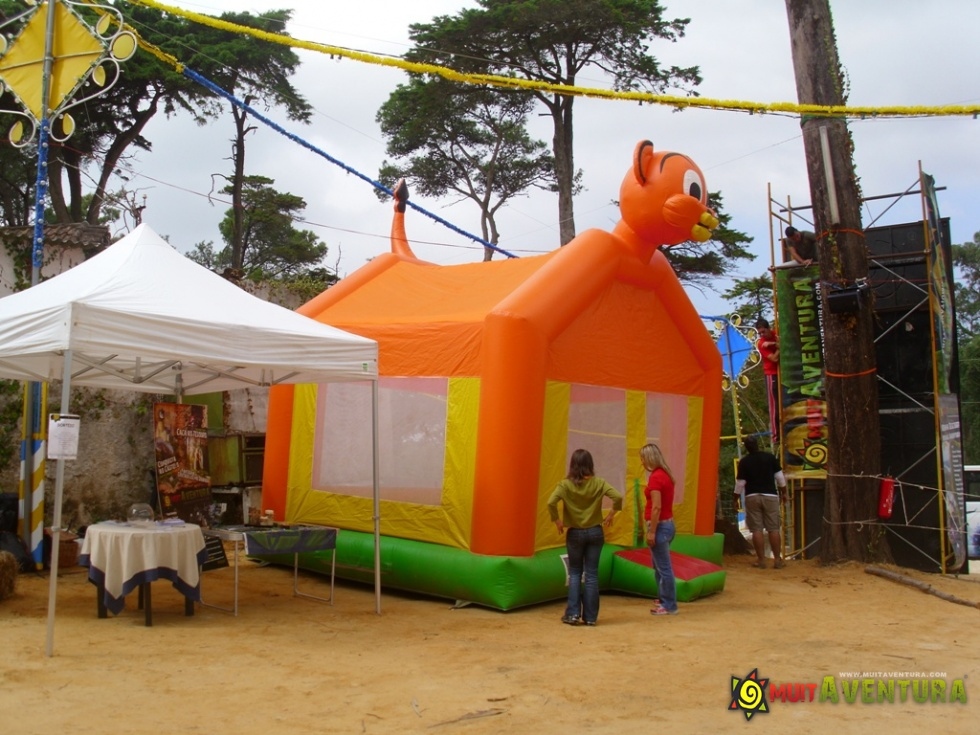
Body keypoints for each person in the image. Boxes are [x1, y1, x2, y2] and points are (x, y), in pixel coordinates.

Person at [547, 448, 622, 626]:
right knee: (592, 574)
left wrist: (557, 521)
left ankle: (573, 614)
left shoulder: (565, 485)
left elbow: (550, 502)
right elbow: (618, 497)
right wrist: (611, 514)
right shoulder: (599, 483)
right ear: (590, 464)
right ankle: (590, 617)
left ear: (573, 465)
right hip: (595, 532)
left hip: (575, 533)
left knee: (575, 573)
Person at [734, 435, 788, 569]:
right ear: (757, 444)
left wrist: (735, 499)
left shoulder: (744, 462)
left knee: (756, 529)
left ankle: (761, 560)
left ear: (746, 448)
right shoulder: (770, 458)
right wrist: (784, 493)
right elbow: (780, 478)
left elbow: (740, 484)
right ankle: (777, 560)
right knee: (773, 528)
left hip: (752, 496)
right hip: (770, 496)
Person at [640, 443, 678, 616]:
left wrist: (652, 531)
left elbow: (656, 507)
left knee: (663, 568)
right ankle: (664, 598)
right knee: (659, 565)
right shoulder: (665, 475)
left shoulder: (655, 478)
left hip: (660, 526)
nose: (642, 462)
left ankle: (669, 604)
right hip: (667, 524)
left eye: (643, 458)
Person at [755, 318, 780, 444]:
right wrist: (779, 347)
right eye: (759, 333)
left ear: (768, 329)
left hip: (781, 373)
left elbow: (782, 341)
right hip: (771, 374)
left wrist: (773, 344)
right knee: (774, 405)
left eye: (763, 332)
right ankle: (776, 436)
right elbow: (774, 359)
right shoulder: (761, 344)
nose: (762, 335)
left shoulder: (776, 334)